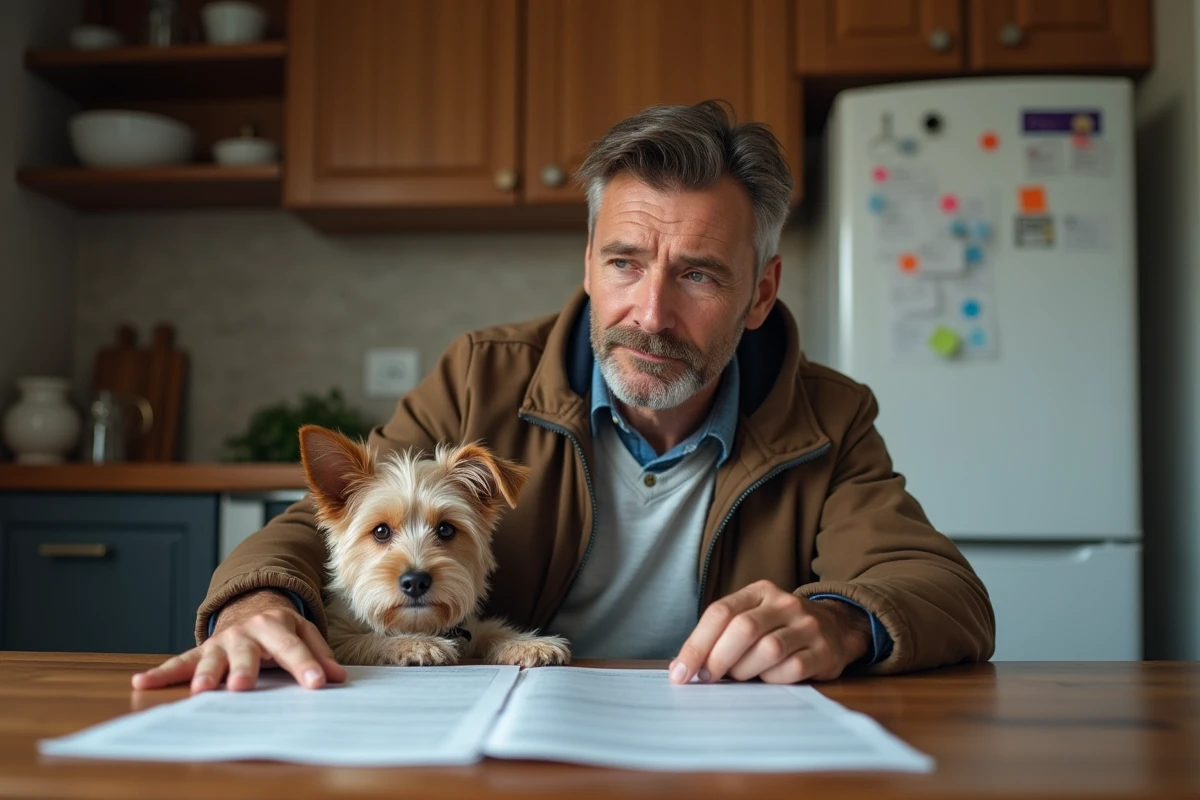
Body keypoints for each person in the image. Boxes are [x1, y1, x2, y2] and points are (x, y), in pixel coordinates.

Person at [134, 101, 994, 694]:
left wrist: (841, 621)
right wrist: (257, 600)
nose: (648, 315)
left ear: (760, 294)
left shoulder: (828, 417)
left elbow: (940, 588)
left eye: (697, 274)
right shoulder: (480, 375)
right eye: (624, 263)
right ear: (587, 263)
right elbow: (323, 520)